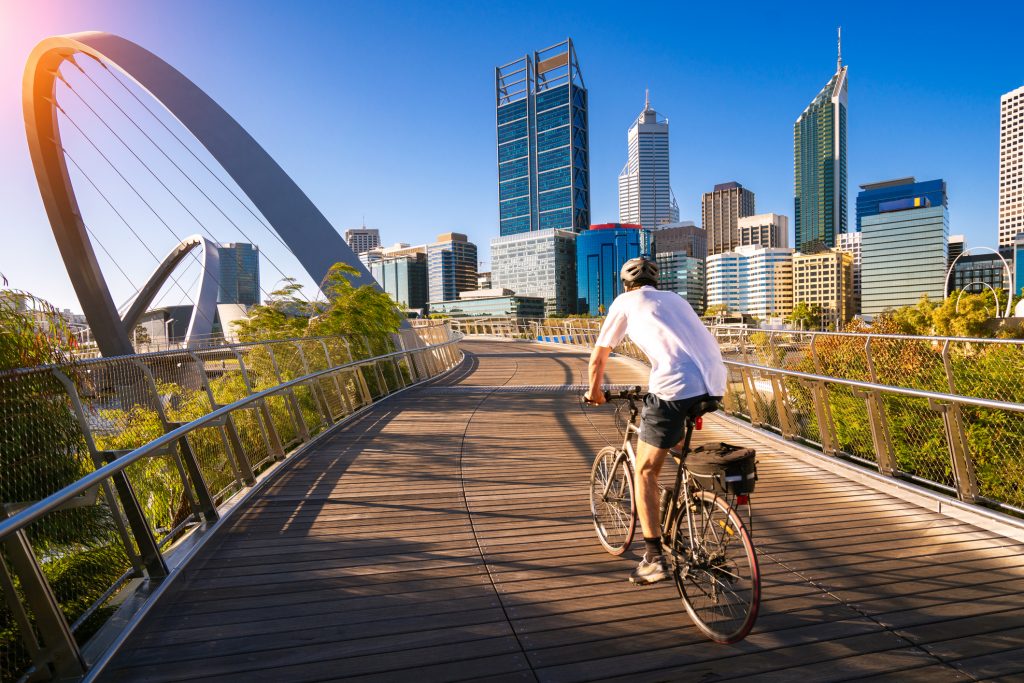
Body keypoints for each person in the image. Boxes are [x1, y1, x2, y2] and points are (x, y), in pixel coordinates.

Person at [583, 256, 726, 585]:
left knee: (645, 471)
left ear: (625, 284)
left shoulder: (625, 301)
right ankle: (688, 497)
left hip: (675, 387)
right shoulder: (675, 299)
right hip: (714, 383)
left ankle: (653, 558)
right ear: (656, 282)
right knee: (671, 440)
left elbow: (599, 355)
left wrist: (595, 393)